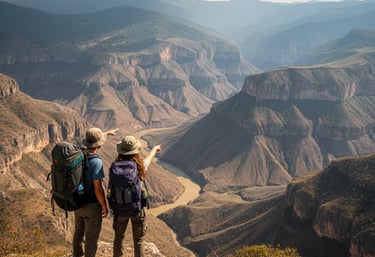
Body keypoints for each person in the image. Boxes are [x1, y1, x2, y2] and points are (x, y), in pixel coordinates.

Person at [109, 135, 161, 257]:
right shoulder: (140, 166)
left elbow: (110, 189)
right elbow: (149, 158)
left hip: (119, 210)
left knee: (119, 237)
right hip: (136, 209)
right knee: (138, 240)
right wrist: (154, 149)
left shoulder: (114, 168)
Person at [72, 127, 118, 257]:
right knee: (91, 237)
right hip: (92, 206)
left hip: (77, 202)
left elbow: (94, 140)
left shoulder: (78, 154)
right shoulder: (96, 162)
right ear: (99, 145)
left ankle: (76, 254)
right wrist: (104, 206)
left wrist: (106, 133)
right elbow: (98, 189)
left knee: (78, 231)